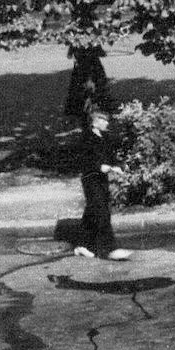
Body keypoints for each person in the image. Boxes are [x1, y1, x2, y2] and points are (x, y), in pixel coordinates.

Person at [66, 70, 131, 262]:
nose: (106, 123)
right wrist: (99, 166)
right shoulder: (87, 138)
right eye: (103, 120)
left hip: (101, 179)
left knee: (92, 213)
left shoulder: (105, 138)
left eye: (107, 120)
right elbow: (84, 159)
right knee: (102, 213)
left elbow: (110, 157)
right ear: (95, 122)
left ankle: (83, 245)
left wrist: (117, 166)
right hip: (90, 178)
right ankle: (109, 249)